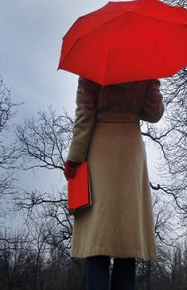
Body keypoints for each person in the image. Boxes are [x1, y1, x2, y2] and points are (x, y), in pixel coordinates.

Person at [63, 76, 164, 290]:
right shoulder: (144, 64)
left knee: (96, 244)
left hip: (99, 151)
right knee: (127, 246)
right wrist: (152, 82)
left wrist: (74, 157)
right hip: (130, 154)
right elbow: (153, 113)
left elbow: (85, 112)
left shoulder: (92, 63)